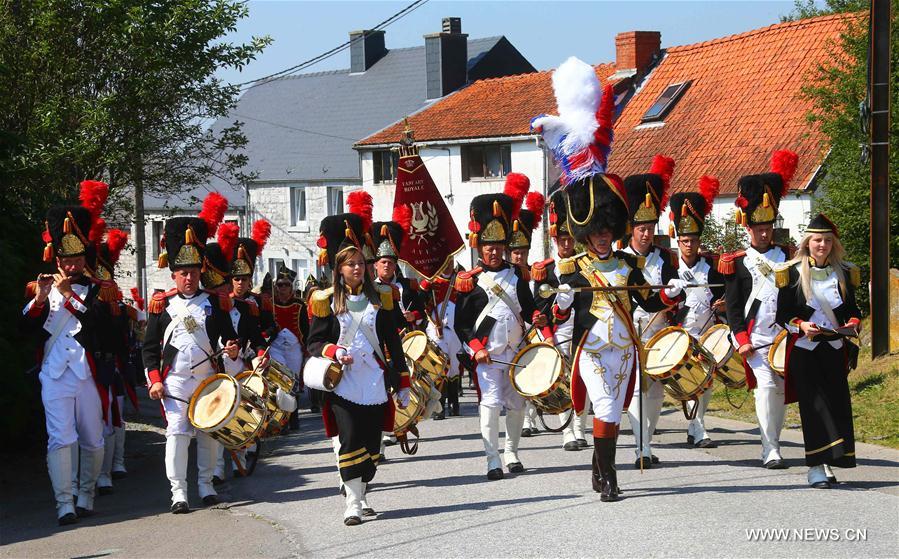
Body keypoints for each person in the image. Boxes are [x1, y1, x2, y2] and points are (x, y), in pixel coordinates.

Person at [532, 57, 682, 501]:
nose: (600, 237)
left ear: (613, 230)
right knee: (601, 406)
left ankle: (600, 469)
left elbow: (647, 303)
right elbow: (551, 309)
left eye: (605, 230)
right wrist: (559, 300)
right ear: (585, 233)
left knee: (613, 413)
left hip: (624, 351)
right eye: (594, 231)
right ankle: (610, 478)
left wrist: (667, 294)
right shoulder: (572, 269)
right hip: (592, 349)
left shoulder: (629, 265)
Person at [307, 212, 410, 526]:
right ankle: (352, 503)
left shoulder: (382, 298)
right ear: (339, 268)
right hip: (343, 384)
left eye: (361, 263)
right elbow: (314, 343)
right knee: (350, 440)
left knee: (371, 447)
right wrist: (335, 350)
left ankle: (362, 494)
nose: (357, 268)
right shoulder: (325, 300)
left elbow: (392, 342)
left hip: (374, 383)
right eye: (350, 264)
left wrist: (402, 381)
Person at [143, 197, 244, 514]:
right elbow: (149, 348)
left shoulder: (215, 303)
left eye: (194, 271)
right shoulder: (162, 304)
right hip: (174, 382)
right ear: (173, 274)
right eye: (183, 272)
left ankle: (205, 486)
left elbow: (230, 338)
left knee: (208, 434)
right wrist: (154, 380)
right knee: (177, 432)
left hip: (207, 379)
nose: (189, 278)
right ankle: (178, 493)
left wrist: (231, 348)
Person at [22, 190, 109, 525]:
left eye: (77, 260)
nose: (71, 266)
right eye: (65, 261)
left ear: (85, 258)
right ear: (55, 259)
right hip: (54, 373)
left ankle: (86, 494)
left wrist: (69, 295)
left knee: (92, 437)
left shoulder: (99, 288)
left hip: (86, 373)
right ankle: (64, 502)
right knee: (61, 437)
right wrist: (42, 299)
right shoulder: (37, 287)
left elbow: (97, 322)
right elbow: (26, 329)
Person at [454, 184, 549, 481]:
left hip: (516, 352)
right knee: (491, 404)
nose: (493, 251)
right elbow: (462, 324)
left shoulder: (517, 276)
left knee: (517, 404)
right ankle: (492, 459)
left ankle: (512, 451)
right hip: (488, 357)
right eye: (488, 246)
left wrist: (540, 319)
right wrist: (475, 348)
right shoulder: (470, 281)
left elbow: (528, 308)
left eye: (498, 246)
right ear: (479, 247)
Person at [720, 150, 799, 469]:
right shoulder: (735, 263)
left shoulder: (789, 255)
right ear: (747, 227)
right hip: (756, 340)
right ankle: (770, 447)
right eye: (758, 227)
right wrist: (741, 338)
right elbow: (734, 307)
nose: (764, 232)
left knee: (780, 391)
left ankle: (774, 440)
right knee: (765, 389)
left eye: (767, 226)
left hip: (785, 338)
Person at [775, 214, 860, 488]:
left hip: (834, 349)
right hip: (804, 350)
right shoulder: (790, 272)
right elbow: (783, 315)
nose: (821, 245)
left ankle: (829, 462)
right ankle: (814, 467)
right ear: (807, 243)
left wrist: (854, 323)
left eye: (826, 240)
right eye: (816, 240)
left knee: (836, 407)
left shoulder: (844, 272)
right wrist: (801, 326)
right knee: (814, 408)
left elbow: (853, 311)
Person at [620, 155, 678, 467]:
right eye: (641, 228)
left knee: (655, 393)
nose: (646, 234)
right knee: (636, 391)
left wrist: (675, 292)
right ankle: (641, 446)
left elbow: (672, 298)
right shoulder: (619, 259)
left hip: (659, 332)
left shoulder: (665, 258)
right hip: (631, 332)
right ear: (631, 229)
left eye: (650, 227)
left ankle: (648, 438)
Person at [668, 176, 726, 448]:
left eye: (692, 240)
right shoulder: (669, 268)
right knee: (687, 382)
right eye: (684, 240)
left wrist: (722, 304)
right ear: (677, 241)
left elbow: (723, 293)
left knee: (706, 382)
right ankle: (692, 425)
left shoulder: (711, 267)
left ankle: (698, 425)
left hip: (706, 332)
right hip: (678, 333)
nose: (688, 245)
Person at [533, 188, 588, 451]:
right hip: (557, 333)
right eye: (562, 239)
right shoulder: (543, 270)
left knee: (583, 379)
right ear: (555, 240)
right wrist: (549, 338)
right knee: (562, 381)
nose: (567, 244)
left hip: (582, 332)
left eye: (570, 239)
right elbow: (539, 310)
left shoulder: (584, 266)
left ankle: (581, 428)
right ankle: (568, 432)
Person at [88, 224, 136, 496]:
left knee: (113, 416)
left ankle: (111, 467)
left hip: (110, 366)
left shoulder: (117, 308)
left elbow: (121, 341)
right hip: (87, 364)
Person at [503, 173, 545, 438]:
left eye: (523, 252)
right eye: (515, 252)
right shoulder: (505, 276)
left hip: (536, 331)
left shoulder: (538, 273)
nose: (519, 256)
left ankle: (531, 417)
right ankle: (525, 419)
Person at [420, 263, 463, 419]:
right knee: (439, 366)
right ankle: (440, 406)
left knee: (454, 367)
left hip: (456, 331)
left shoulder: (460, 279)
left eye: (449, 262)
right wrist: (425, 283)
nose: (446, 266)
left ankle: (454, 403)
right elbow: (420, 299)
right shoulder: (432, 281)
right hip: (437, 331)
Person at [272, 264, 306, 429]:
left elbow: (305, 328)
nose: (283, 288)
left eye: (286, 285)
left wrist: (306, 348)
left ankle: (294, 417)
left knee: (293, 382)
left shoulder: (300, 305)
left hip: (294, 348)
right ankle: (283, 420)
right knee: (280, 382)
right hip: (276, 347)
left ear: (292, 287)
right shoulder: (269, 304)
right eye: (280, 285)